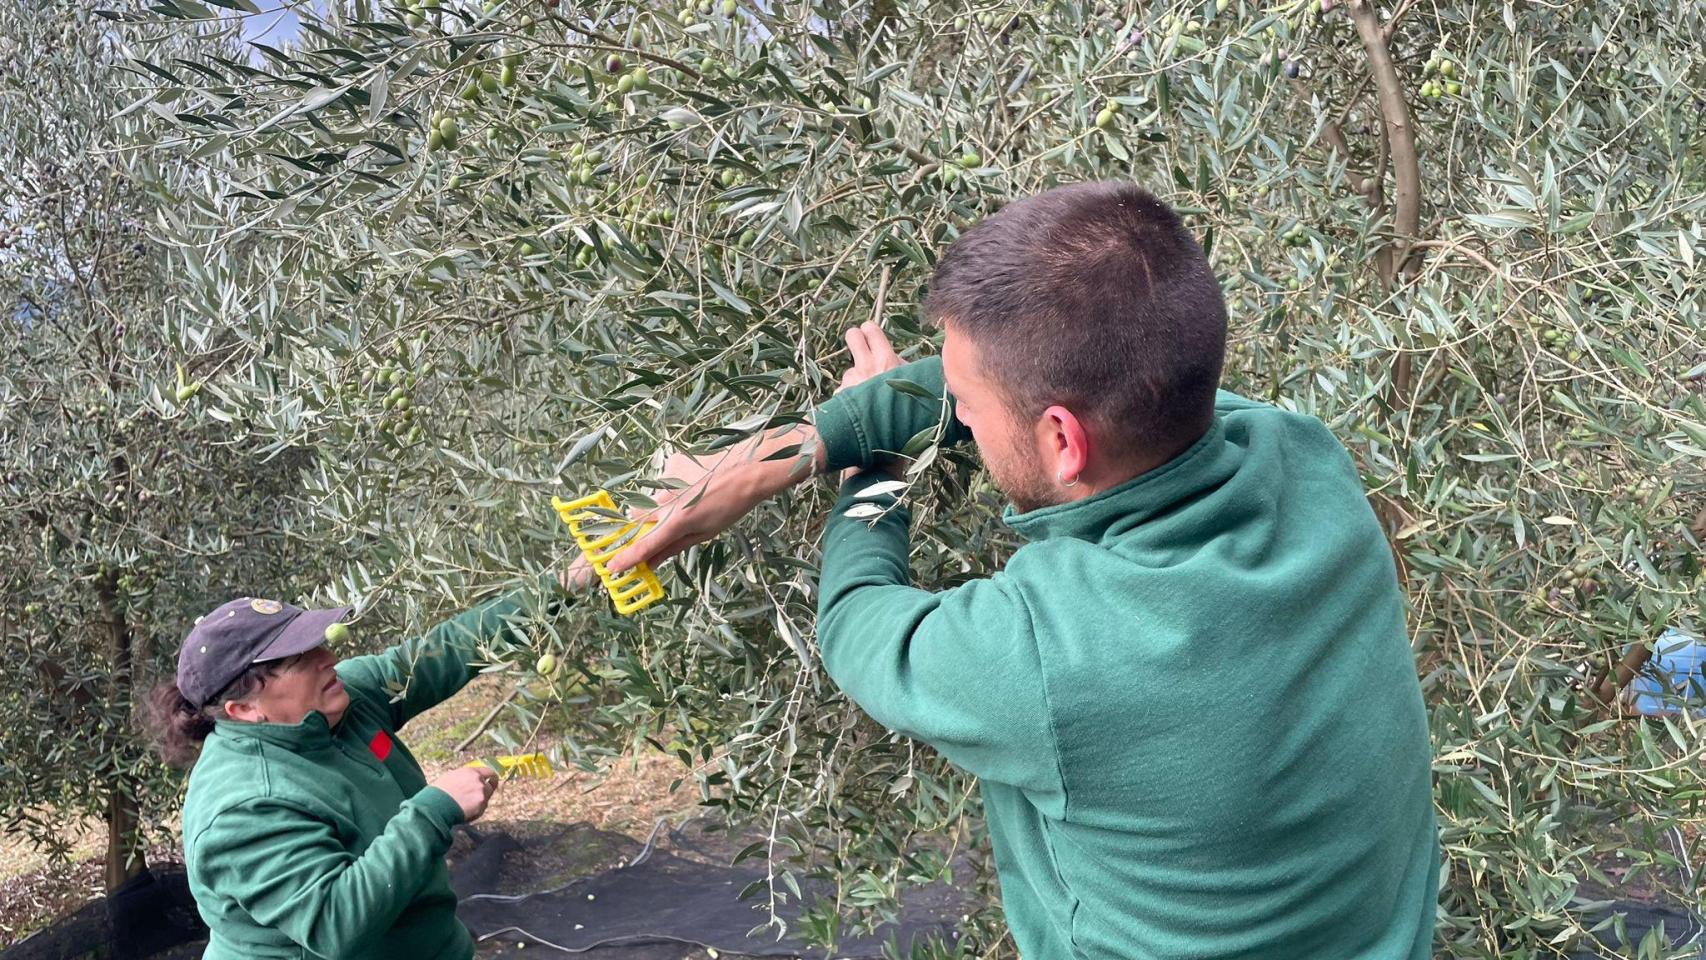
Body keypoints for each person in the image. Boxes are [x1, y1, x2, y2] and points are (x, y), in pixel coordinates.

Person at [606, 181, 1440, 957]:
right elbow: (1066, 375)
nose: (958, 417)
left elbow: (855, 618)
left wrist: (878, 464)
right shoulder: (1302, 457)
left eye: (966, 406)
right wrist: (779, 454)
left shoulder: (1049, 654)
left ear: (1063, 441)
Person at [147, 575, 568, 960]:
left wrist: (563, 586)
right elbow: (335, 924)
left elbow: (443, 652)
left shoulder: (342, 700)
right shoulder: (241, 809)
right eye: (299, 659)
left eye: (317, 643)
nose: (328, 658)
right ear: (243, 708)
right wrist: (434, 810)